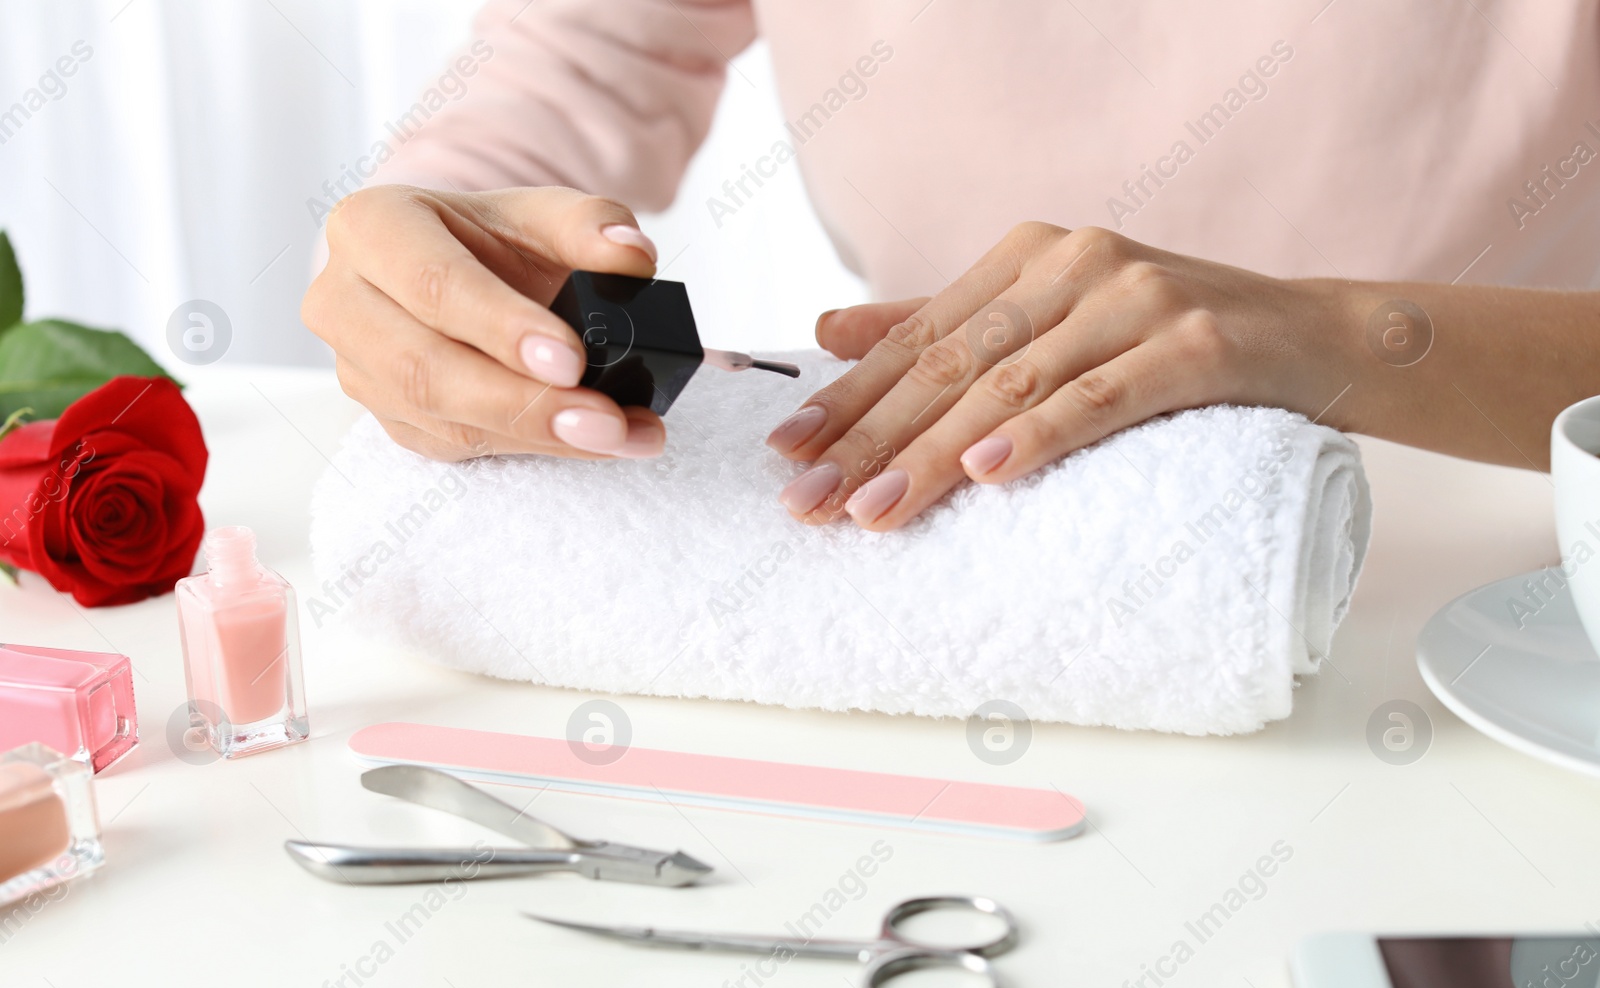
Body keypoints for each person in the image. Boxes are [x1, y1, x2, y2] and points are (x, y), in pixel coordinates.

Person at [301, 0, 1600, 532]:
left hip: (1513, 545)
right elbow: (594, 53)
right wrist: (437, 238)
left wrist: (1343, 336)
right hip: (970, 517)